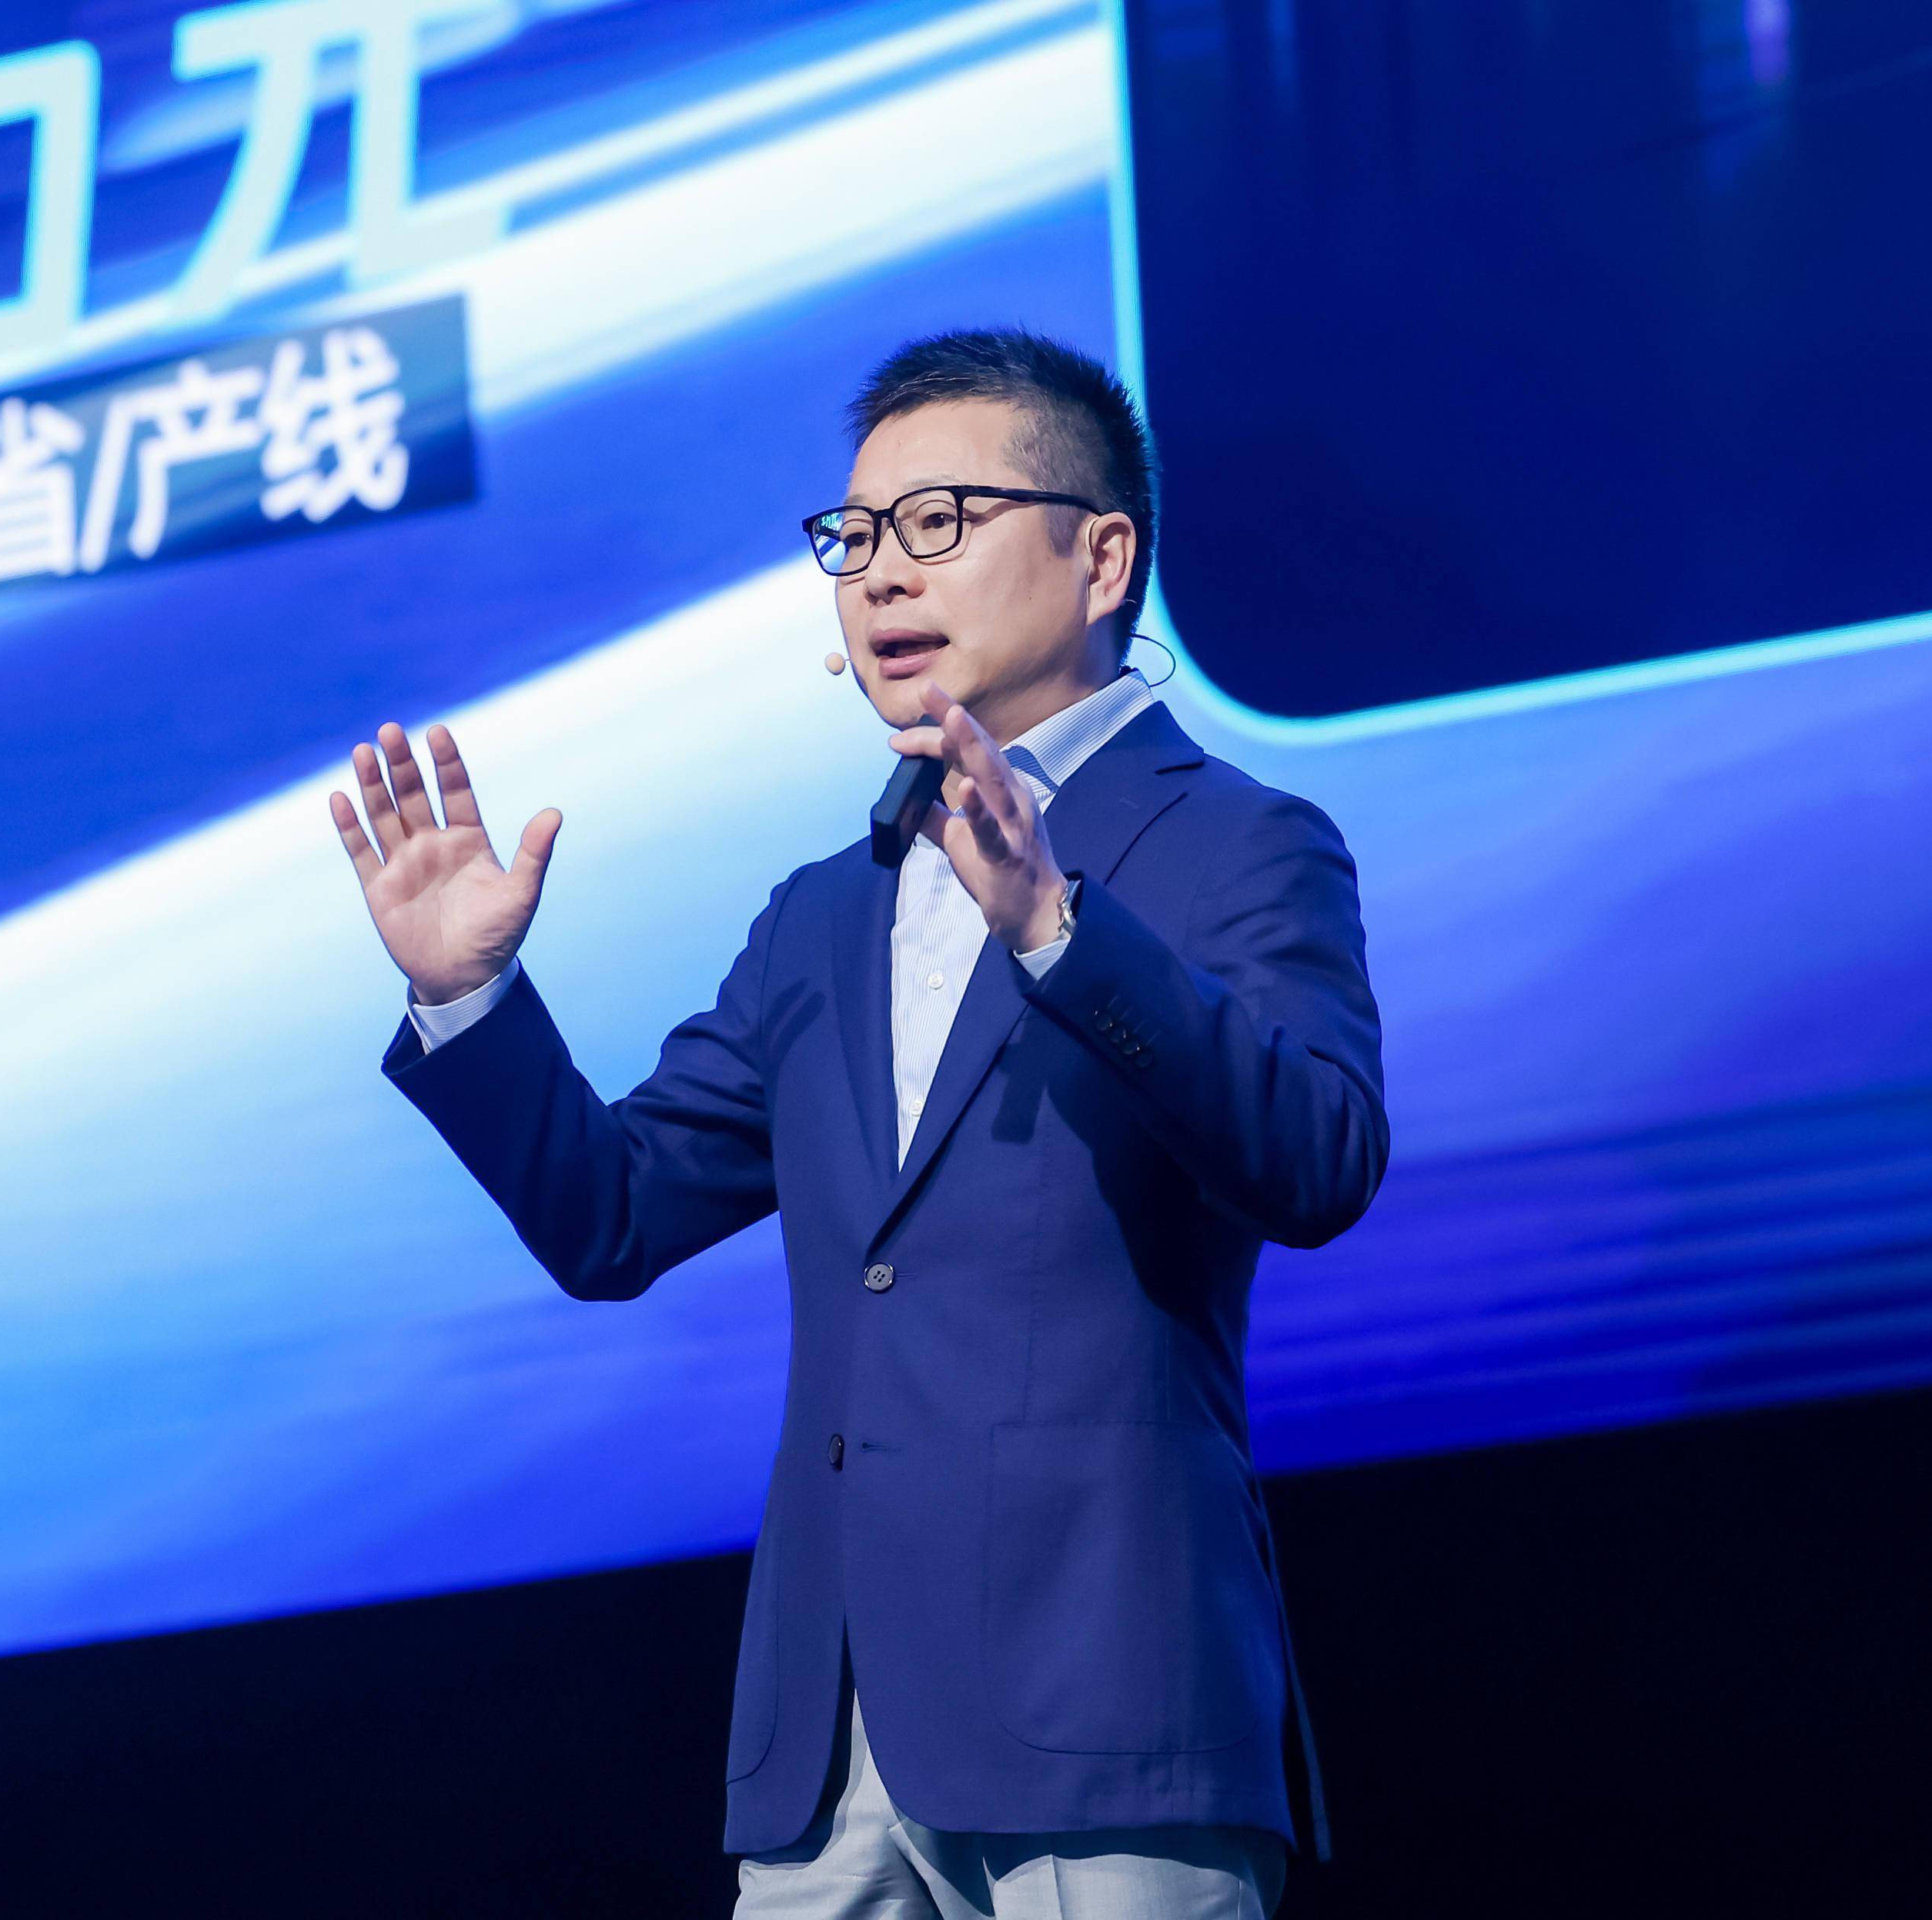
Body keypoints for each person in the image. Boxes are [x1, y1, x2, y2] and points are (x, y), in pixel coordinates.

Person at [328, 328, 1387, 1918]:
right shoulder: (821, 915)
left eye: (939, 521)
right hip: (828, 1740)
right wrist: (469, 995)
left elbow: (1317, 1158)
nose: (882, 572)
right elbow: (611, 1214)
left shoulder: (1237, 841)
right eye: (855, 535)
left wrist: (1056, 928)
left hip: (1103, 1694)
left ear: (1100, 557)